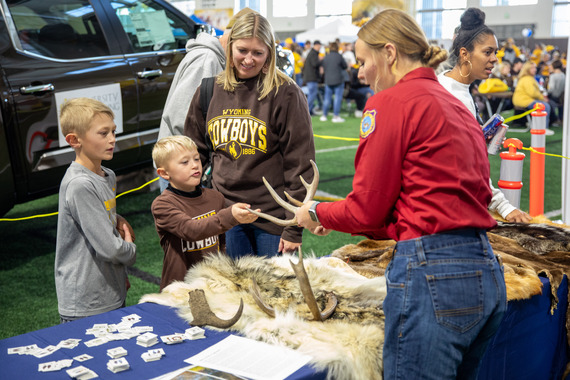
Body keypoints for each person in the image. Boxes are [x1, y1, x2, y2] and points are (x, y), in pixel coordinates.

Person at [295, 9, 506, 379]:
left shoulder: (391, 102)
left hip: (434, 275)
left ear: (388, 54)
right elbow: (429, 202)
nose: (359, 72)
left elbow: (366, 209)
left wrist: (316, 213)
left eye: (362, 61)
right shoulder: (455, 105)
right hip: (486, 271)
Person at [184, 12, 316, 258]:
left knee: (273, 295)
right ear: (230, 46)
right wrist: (195, 205)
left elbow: (300, 165)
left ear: (269, 54)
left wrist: (293, 229)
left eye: (258, 53)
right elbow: (194, 153)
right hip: (225, 215)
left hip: (273, 219)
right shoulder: (208, 90)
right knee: (234, 293)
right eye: (242, 50)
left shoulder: (286, 93)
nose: (248, 59)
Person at [438, 8, 532, 223]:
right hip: (447, 213)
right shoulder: (453, 97)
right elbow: (468, 166)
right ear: (464, 54)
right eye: (487, 52)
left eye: (495, 52)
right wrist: (504, 206)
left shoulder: (451, 85)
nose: (494, 59)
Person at [156, 8, 256, 192]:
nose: (248, 58)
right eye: (243, 49)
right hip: (181, 171)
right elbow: (182, 121)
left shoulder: (215, 58)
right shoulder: (207, 60)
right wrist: (194, 166)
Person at [55, 98, 137, 323]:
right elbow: (110, 249)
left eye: (113, 131)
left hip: (109, 290)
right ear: (74, 140)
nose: (112, 139)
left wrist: (119, 276)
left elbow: (103, 223)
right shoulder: (80, 185)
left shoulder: (107, 175)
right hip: (86, 303)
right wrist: (129, 250)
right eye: (103, 133)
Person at [151, 136, 258, 290]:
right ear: (164, 173)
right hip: (180, 288)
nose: (195, 166)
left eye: (196, 159)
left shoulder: (215, 197)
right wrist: (230, 216)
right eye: (184, 162)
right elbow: (192, 230)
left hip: (213, 285)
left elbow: (221, 243)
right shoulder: (162, 205)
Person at [513, 61, 554, 132]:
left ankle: (539, 126)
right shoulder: (527, 79)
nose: (535, 69)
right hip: (524, 101)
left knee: (545, 105)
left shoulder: (529, 78)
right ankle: (543, 128)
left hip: (526, 100)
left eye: (535, 67)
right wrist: (542, 98)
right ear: (527, 69)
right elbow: (532, 93)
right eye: (532, 68)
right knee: (545, 106)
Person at [320, 41, 348, 123]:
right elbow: (345, 66)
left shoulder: (326, 57)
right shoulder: (339, 56)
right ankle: (335, 116)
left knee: (327, 99)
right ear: (337, 48)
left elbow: (324, 67)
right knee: (337, 98)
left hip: (328, 80)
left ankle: (324, 115)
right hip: (338, 80)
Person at [302, 40, 323, 115]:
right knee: (312, 95)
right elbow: (315, 64)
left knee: (312, 95)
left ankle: (309, 111)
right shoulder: (313, 54)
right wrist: (320, 60)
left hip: (310, 77)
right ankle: (307, 112)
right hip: (312, 78)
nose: (319, 47)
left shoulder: (311, 53)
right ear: (315, 46)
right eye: (318, 46)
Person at [547, 59, 565, 126]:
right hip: (560, 98)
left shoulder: (553, 76)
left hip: (553, 97)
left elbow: (551, 89)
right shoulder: (563, 75)